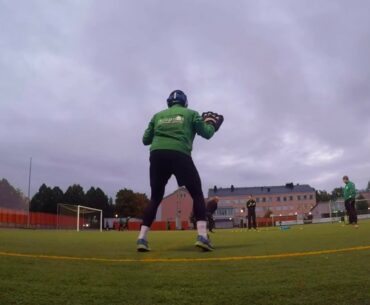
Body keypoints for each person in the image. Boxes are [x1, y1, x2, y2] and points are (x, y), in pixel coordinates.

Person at [137, 90, 224, 252]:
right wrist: (211, 124)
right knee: (197, 193)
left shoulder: (157, 116)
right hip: (179, 153)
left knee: (155, 197)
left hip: (156, 154)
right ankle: (202, 236)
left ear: (169, 102)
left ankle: (142, 238)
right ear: (185, 103)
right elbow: (207, 134)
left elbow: (145, 140)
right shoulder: (191, 113)